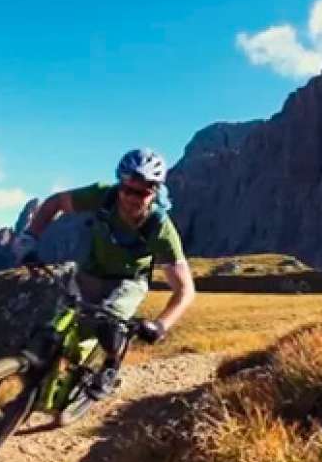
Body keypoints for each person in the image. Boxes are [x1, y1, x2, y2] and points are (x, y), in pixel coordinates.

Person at [10, 148, 196, 400]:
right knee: (52, 329)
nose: (131, 198)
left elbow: (185, 290)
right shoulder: (103, 194)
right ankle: (29, 388)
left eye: (141, 192)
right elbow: (55, 203)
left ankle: (110, 367)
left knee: (110, 326)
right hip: (89, 270)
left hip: (128, 281)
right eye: (126, 189)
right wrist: (29, 237)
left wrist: (160, 325)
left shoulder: (160, 227)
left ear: (153, 191)